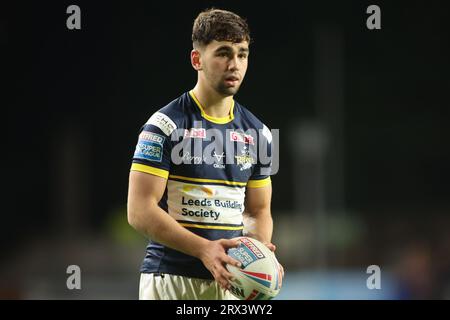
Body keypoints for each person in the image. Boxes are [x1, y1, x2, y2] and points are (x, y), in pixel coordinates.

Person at [127, 8, 281, 300]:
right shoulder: (163, 125)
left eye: (242, 54)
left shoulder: (260, 134)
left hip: (230, 282)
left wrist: (258, 254)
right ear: (197, 59)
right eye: (223, 53)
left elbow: (258, 211)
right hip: (172, 280)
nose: (234, 64)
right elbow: (138, 211)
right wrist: (204, 250)